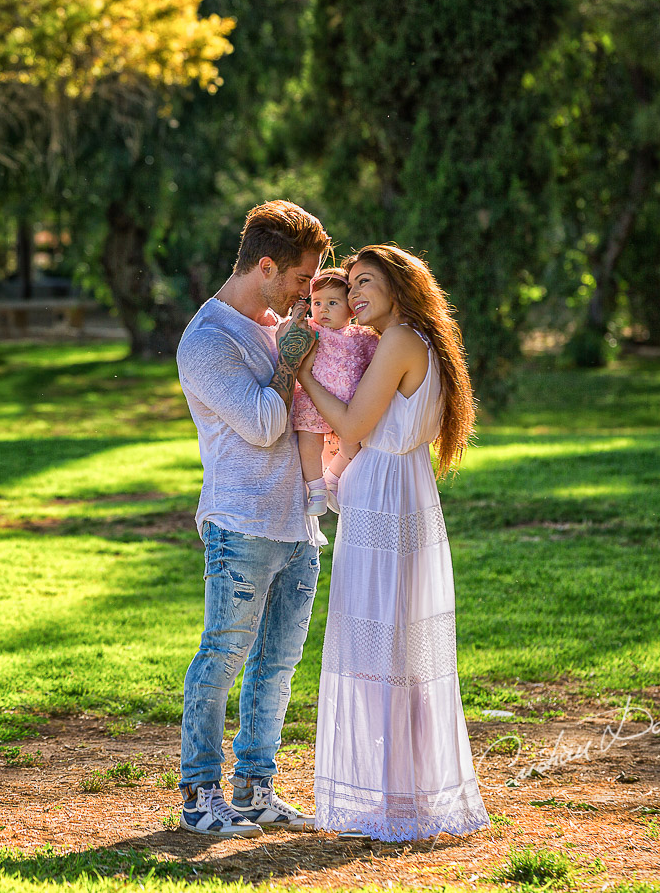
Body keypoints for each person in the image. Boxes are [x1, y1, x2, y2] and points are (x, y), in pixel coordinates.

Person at [297, 244, 490, 842]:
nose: (353, 295)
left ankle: (395, 801)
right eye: (348, 284)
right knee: (392, 648)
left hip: (387, 498)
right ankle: (397, 793)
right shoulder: (403, 342)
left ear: (400, 287)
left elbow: (353, 425)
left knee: (385, 646)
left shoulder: (403, 340)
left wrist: (302, 372)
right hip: (394, 492)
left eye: (365, 283)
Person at [173, 200, 329, 837]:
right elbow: (267, 425)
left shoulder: (278, 322)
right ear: (266, 266)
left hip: (298, 525)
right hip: (241, 524)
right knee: (223, 657)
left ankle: (255, 787)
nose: (307, 293)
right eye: (300, 279)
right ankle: (199, 794)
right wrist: (294, 349)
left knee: (278, 664)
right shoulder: (207, 341)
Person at [291, 269, 380, 516]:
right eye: (317, 303)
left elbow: (380, 359)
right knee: (309, 445)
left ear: (351, 309)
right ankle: (317, 489)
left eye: (333, 303)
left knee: (352, 448)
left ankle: (332, 477)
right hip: (312, 401)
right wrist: (298, 314)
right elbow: (289, 334)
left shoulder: (362, 337)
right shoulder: (310, 329)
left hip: (347, 408)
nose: (323, 310)